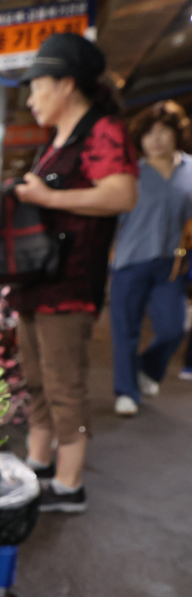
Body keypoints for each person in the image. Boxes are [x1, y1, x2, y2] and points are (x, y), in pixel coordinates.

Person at [0, 33, 138, 514]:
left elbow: (121, 194)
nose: (30, 99)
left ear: (67, 84)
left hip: (69, 287)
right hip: (35, 283)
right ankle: (39, 465)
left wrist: (49, 197)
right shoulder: (56, 142)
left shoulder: (101, 131)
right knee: (36, 382)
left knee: (65, 384)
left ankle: (70, 487)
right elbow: (27, 213)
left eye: (36, 87)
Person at [107, 101, 192, 416]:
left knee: (174, 328)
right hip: (128, 262)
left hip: (170, 265)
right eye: (148, 134)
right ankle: (126, 392)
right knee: (125, 331)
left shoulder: (190, 170)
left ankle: (147, 369)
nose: (155, 139)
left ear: (176, 134)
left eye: (162, 131)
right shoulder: (130, 174)